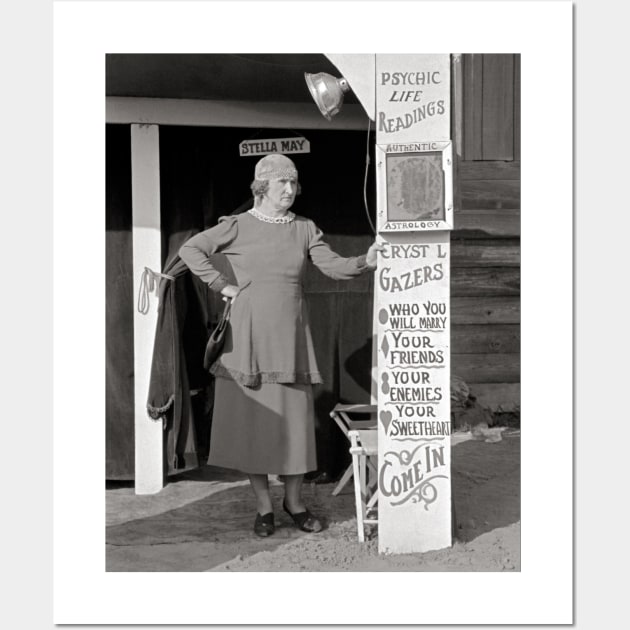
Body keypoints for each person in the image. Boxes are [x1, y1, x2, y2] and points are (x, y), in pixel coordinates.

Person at [179, 153, 383, 537]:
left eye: (294, 183)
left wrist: (365, 260)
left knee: (293, 427)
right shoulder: (237, 226)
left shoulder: (305, 228)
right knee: (254, 425)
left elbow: (333, 265)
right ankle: (263, 507)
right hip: (249, 339)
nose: (290, 190)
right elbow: (191, 250)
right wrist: (224, 286)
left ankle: (295, 503)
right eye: (281, 183)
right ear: (261, 187)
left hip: (290, 341)